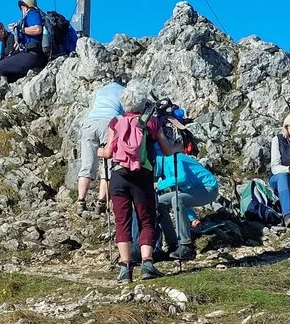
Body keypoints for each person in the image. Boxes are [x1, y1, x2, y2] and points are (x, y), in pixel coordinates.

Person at [99, 84, 178, 283]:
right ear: (143, 103)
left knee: (122, 221)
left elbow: (107, 153)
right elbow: (167, 151)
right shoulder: (151, 123)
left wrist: (100, 152)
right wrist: (177, 147)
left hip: (119, 177)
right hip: (143, 178)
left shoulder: (115, 122)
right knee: (146, 220)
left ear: (123, 103)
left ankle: (125, 268)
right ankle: (147, 264)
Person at [154, 142, 219, 261]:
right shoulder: (165, 170)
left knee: (177, 198)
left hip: (208, 188)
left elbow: (182, 178)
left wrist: (158, 185)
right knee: (159, 203)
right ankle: (173, 244)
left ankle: (186, 246)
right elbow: (182, 194)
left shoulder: (173, 158)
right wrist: (191, 217)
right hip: (195, 190)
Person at [76, 76, 128, 212]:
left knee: (87, 165)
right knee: (108, 166)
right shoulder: (124, 91)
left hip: (90, 123)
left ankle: (80, 202)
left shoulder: (102, 89)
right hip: (108, 124)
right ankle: (101, 202)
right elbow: (125, 113)